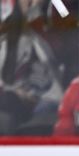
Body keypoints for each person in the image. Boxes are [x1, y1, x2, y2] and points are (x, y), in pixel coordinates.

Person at [0, 0, 63, 135]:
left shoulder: (56, 10)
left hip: (49, 97)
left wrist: (39, 9)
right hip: (14, 97)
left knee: (39, 124)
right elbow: (5, 74)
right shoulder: (8, 29)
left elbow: (69, 19)